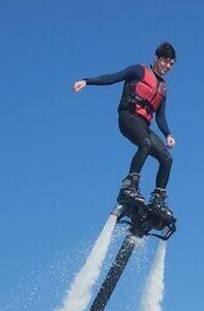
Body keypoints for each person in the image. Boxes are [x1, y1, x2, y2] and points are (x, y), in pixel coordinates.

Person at [73, 42, 177, 219]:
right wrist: (87, 81)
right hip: (127, 117)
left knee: (167, 158)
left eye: (171, 64)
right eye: (165, 61)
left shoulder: (163, 88)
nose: (167, 66)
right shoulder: (139, 71)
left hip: (144, 125)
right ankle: (129, 186)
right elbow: (113, 77)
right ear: (156, 58)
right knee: (144, 143)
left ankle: (158, 199)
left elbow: (160, 116)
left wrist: (168, 134)